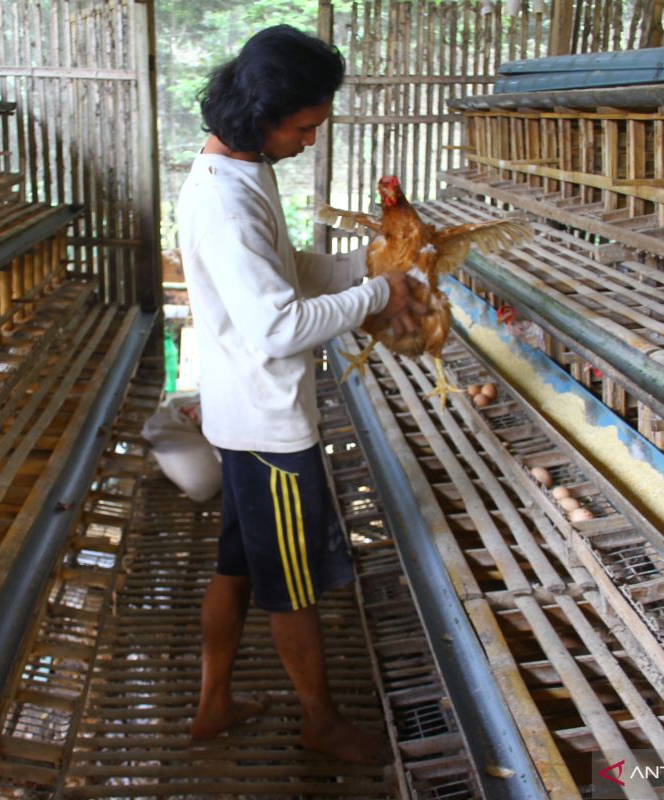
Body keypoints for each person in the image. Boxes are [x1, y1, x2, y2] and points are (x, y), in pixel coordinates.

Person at [177, 24, 423, 765]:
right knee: (293, 583)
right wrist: (381, 292)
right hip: (270, 428)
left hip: (240, 412)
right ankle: (320, 721)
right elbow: (279, 326)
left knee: (239, 565)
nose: (311, 141)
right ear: (262, 115)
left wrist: (359, 266)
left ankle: (213, 704)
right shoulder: (226, 202)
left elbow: (282, 273)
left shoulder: (242, 171)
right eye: (304, 126)